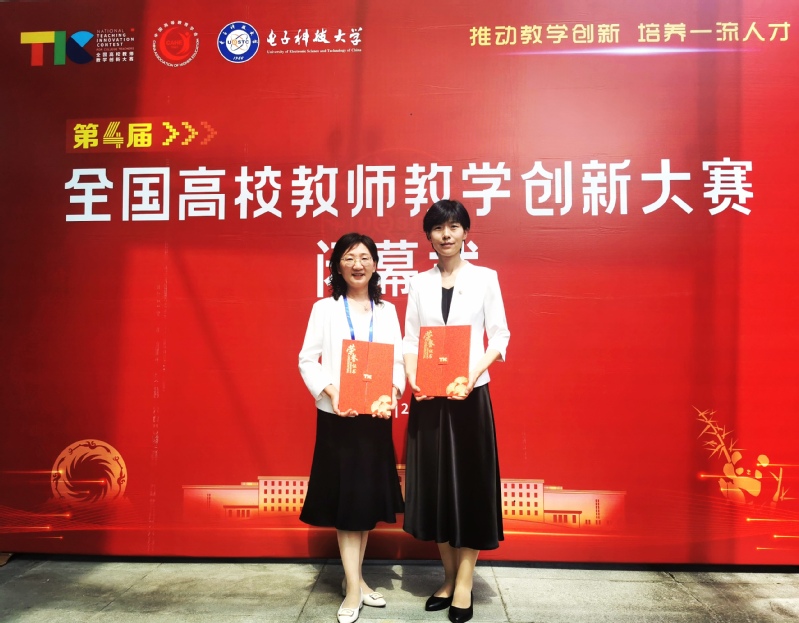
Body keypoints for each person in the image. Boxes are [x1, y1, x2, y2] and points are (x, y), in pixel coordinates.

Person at [402, 200, 510, 623]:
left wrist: (471, 374)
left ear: (466, 232)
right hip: (430, 399)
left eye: (453, 227)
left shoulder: (485, 278)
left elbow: (499, 336)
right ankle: (447, 578)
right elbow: (412, 340)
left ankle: (464, 583)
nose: (445, 235)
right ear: (428, 236)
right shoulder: (418, 283)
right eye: (437, 228)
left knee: (469, 488)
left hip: (470, 397)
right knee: (436, 489)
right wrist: (414, 379)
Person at [298, 232, 406, 623]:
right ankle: (353, 591)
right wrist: (332, 392)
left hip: (374, 418)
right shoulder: (325, 309)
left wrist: (390, 394)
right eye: (348, 258)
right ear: (337, 267)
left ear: (375, 264)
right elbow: (307, 359)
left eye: (364, 257)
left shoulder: (387, 311)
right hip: (338, 417)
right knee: (347, 504)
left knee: (363, 502)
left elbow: (398, 362)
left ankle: (354, 580)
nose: (357, 264)